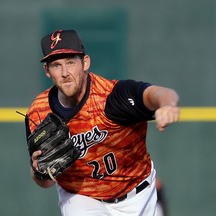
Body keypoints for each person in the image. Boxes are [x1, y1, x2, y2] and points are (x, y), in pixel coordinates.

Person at [25, 29, 180, 216]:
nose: (65, 72)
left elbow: (156, 93)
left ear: (85, 63)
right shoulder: (39, 112)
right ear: (47, 71)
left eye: (70, 62)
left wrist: (168, 105)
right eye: (56, 65)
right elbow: (45, 182)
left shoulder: (111, 97)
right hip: (81, 198)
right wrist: (39, 172)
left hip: (136, 195)